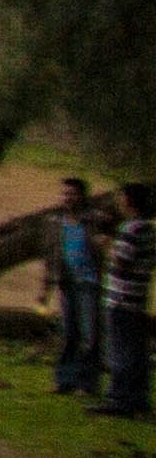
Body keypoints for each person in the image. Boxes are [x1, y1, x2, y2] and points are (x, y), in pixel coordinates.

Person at [51, 178, 112, 396]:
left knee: (90, 336)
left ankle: (87, 384)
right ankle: (64, 381)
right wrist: (49, 284)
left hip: (89, 284)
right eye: (65, 194)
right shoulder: (59, 222)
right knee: (68, 334)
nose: (68, 198)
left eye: (72, 194)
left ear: (82, 196)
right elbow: (55, 254)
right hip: (68, 284)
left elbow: (106, 239)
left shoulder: (93, 220)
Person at [102, 181, 156, 423]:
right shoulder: (149, 229)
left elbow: (122, 260)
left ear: (130, 201)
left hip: (122, 298)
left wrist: (108, 248)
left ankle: (120, 399)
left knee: (121, 350)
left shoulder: (131, 228)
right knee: (135, 351)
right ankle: (136, 398)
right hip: (137, 297)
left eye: (122, 198)